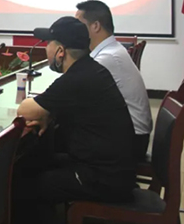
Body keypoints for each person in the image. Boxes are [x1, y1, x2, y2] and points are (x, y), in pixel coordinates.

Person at [13, 16, 135, 224]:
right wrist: (48, 112)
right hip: (114, 171)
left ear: (60, 51)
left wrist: (45, 112)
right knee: (37, 165)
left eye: (48, 44)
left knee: (23, 186)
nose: (46, 49)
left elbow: (25, 110)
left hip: (104, 179)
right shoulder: (91, 69)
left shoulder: (75, 79)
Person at [75, 0, 152, 160]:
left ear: (95, 26)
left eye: (78, 25)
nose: (74, 30)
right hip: (130, 134)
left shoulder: (107, 58)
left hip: (130, 141)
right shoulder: (112, 50)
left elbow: (74, 93)